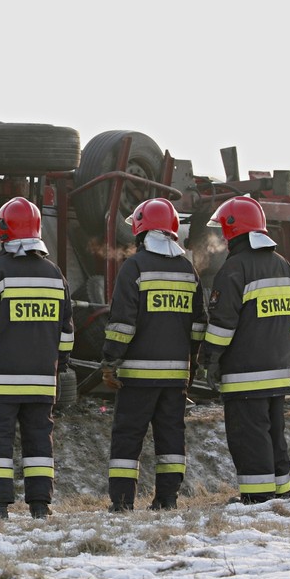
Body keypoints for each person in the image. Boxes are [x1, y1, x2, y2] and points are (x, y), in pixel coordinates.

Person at [0, 197, 73, 521]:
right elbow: (66, 333)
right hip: (42, 381)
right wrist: (59, 369)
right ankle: (40, 505)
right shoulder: (55, 276)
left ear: (3, 231)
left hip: (0, 383)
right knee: (40, 443)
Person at [100, 197, 206, 512]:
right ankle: (167, 499)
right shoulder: (188, 269)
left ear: (140, 229)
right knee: (171, 438)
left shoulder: (135, 266)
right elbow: (199, 325)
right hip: (176, 377)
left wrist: (110, 360)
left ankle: (121, 504)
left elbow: (122, 323)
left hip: (138, 375)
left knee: (128, 439)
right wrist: (192, 364)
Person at [199, 196, 290, 504]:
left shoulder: (234, 269)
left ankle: (257, 500)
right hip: (278, 372)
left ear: (232, 230)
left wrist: (209, 360)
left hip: (245, 373)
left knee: (249, 437)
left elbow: (222, 325)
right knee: (273, 435)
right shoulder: (283, 265)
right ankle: (281, 493)